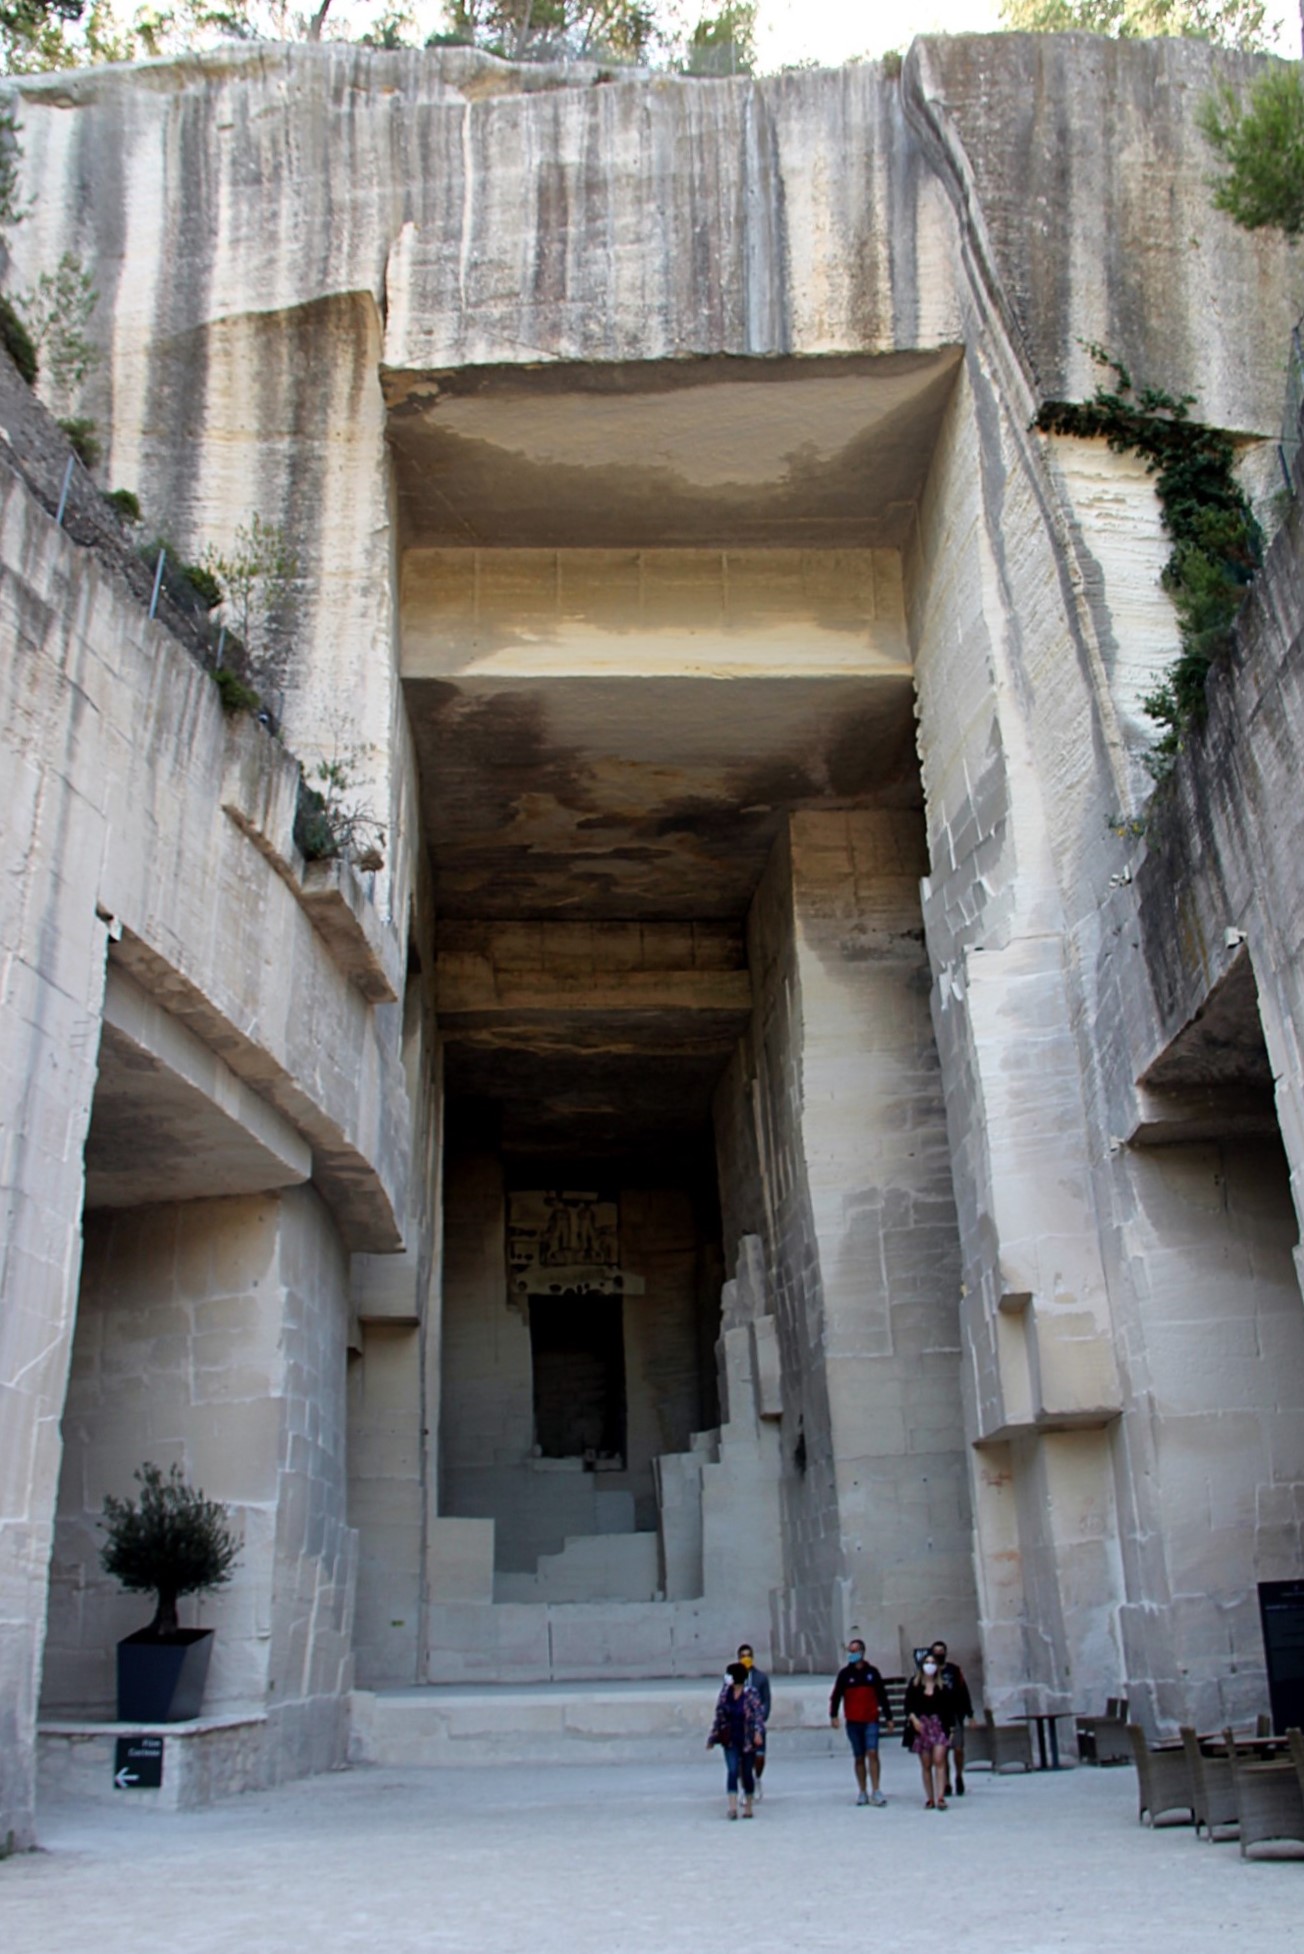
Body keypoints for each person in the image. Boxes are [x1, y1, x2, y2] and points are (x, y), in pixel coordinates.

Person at [828, 1637, 894, 1806]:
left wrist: (889, 1718)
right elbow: (836, 1696)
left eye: (855, 1651)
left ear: (862, 1652)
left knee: (872, 1752)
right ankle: (862, 1790)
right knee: (859, 1757)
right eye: (850, 1651)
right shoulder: (844, 1675)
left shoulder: (873, 1672)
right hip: (853, 1721)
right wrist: (833, 1715)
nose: (852, 1654)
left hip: (871, 1719)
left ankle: (876, 1789)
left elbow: (882, 1696)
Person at [707, 1660, 766, 1819]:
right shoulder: (725, 1694)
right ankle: (732, 1808)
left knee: (747, 1772)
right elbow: (719, 1716)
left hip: (747, 1739)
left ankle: (748, 1806)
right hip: (730, 1739)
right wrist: (713, 1737)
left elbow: (758, 1715)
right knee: (732, 1770)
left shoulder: (751, 1693)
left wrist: (758, 1732)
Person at [904, 1652, 957, 1809]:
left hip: (939, 1726)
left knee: (939, 1760)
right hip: (921, 1727)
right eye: (927, 1662)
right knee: (926, 1764)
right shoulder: (914, 1686)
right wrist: (914, 1720)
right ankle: (930, 1797)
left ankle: (940, 1797)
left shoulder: (943, 1688)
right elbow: (908, 1706)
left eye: (933, 1662)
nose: (930, 1665)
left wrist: (952, 1729)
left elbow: (949, 1710)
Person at [927, 1639, 974, 1796]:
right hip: (938, 1716)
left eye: (941, 1651)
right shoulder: (929, 1672)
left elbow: (963, 1691)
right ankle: (945, 1781)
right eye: (936, 1651)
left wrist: (970, 1714)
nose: (939, 1654)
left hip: (955, 1714)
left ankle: (959, 1775)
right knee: (942, 1751)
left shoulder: (954, 1671)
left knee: (958, 1749)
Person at [737, 1644, 771, 1798]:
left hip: (756, 1724)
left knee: (759, 1755)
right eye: (743, 1656)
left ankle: (757, 1778)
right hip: (740, 1724)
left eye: (748, 1655)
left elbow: (766, 1700)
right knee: (742, 1759)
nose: (746, 1659)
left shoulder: (761, 1678)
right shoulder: (733, 1678)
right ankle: (745, 1787)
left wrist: (761, 1720)